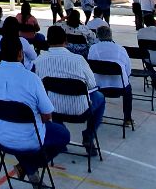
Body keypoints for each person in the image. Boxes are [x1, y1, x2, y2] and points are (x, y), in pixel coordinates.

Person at [0, 35, 68, 185]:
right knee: (63, 134)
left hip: (1, 136)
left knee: (21, 132)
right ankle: (29, 166)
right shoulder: (31, 79)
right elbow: (47, 115)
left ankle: (26, 166)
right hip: (30, 139)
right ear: (20, 54)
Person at [34, 26, 104, 156]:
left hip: (52, 110)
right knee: (100, 97)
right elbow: (92, 85)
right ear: (66, 41)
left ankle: (61, 137)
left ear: (48, 41)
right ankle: (89, 135)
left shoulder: (38, 61)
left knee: (47, 100)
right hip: (80, 111)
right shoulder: (78, 60)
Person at [87, 25, 133, 128]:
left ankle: (96, 116)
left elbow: (90, 67)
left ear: (97, 36)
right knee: (128, 90)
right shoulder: (121, 49)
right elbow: (128, 70)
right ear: (111, 35)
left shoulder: (93, 48)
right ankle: (127, 118)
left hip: (99, 87)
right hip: (119, 87)